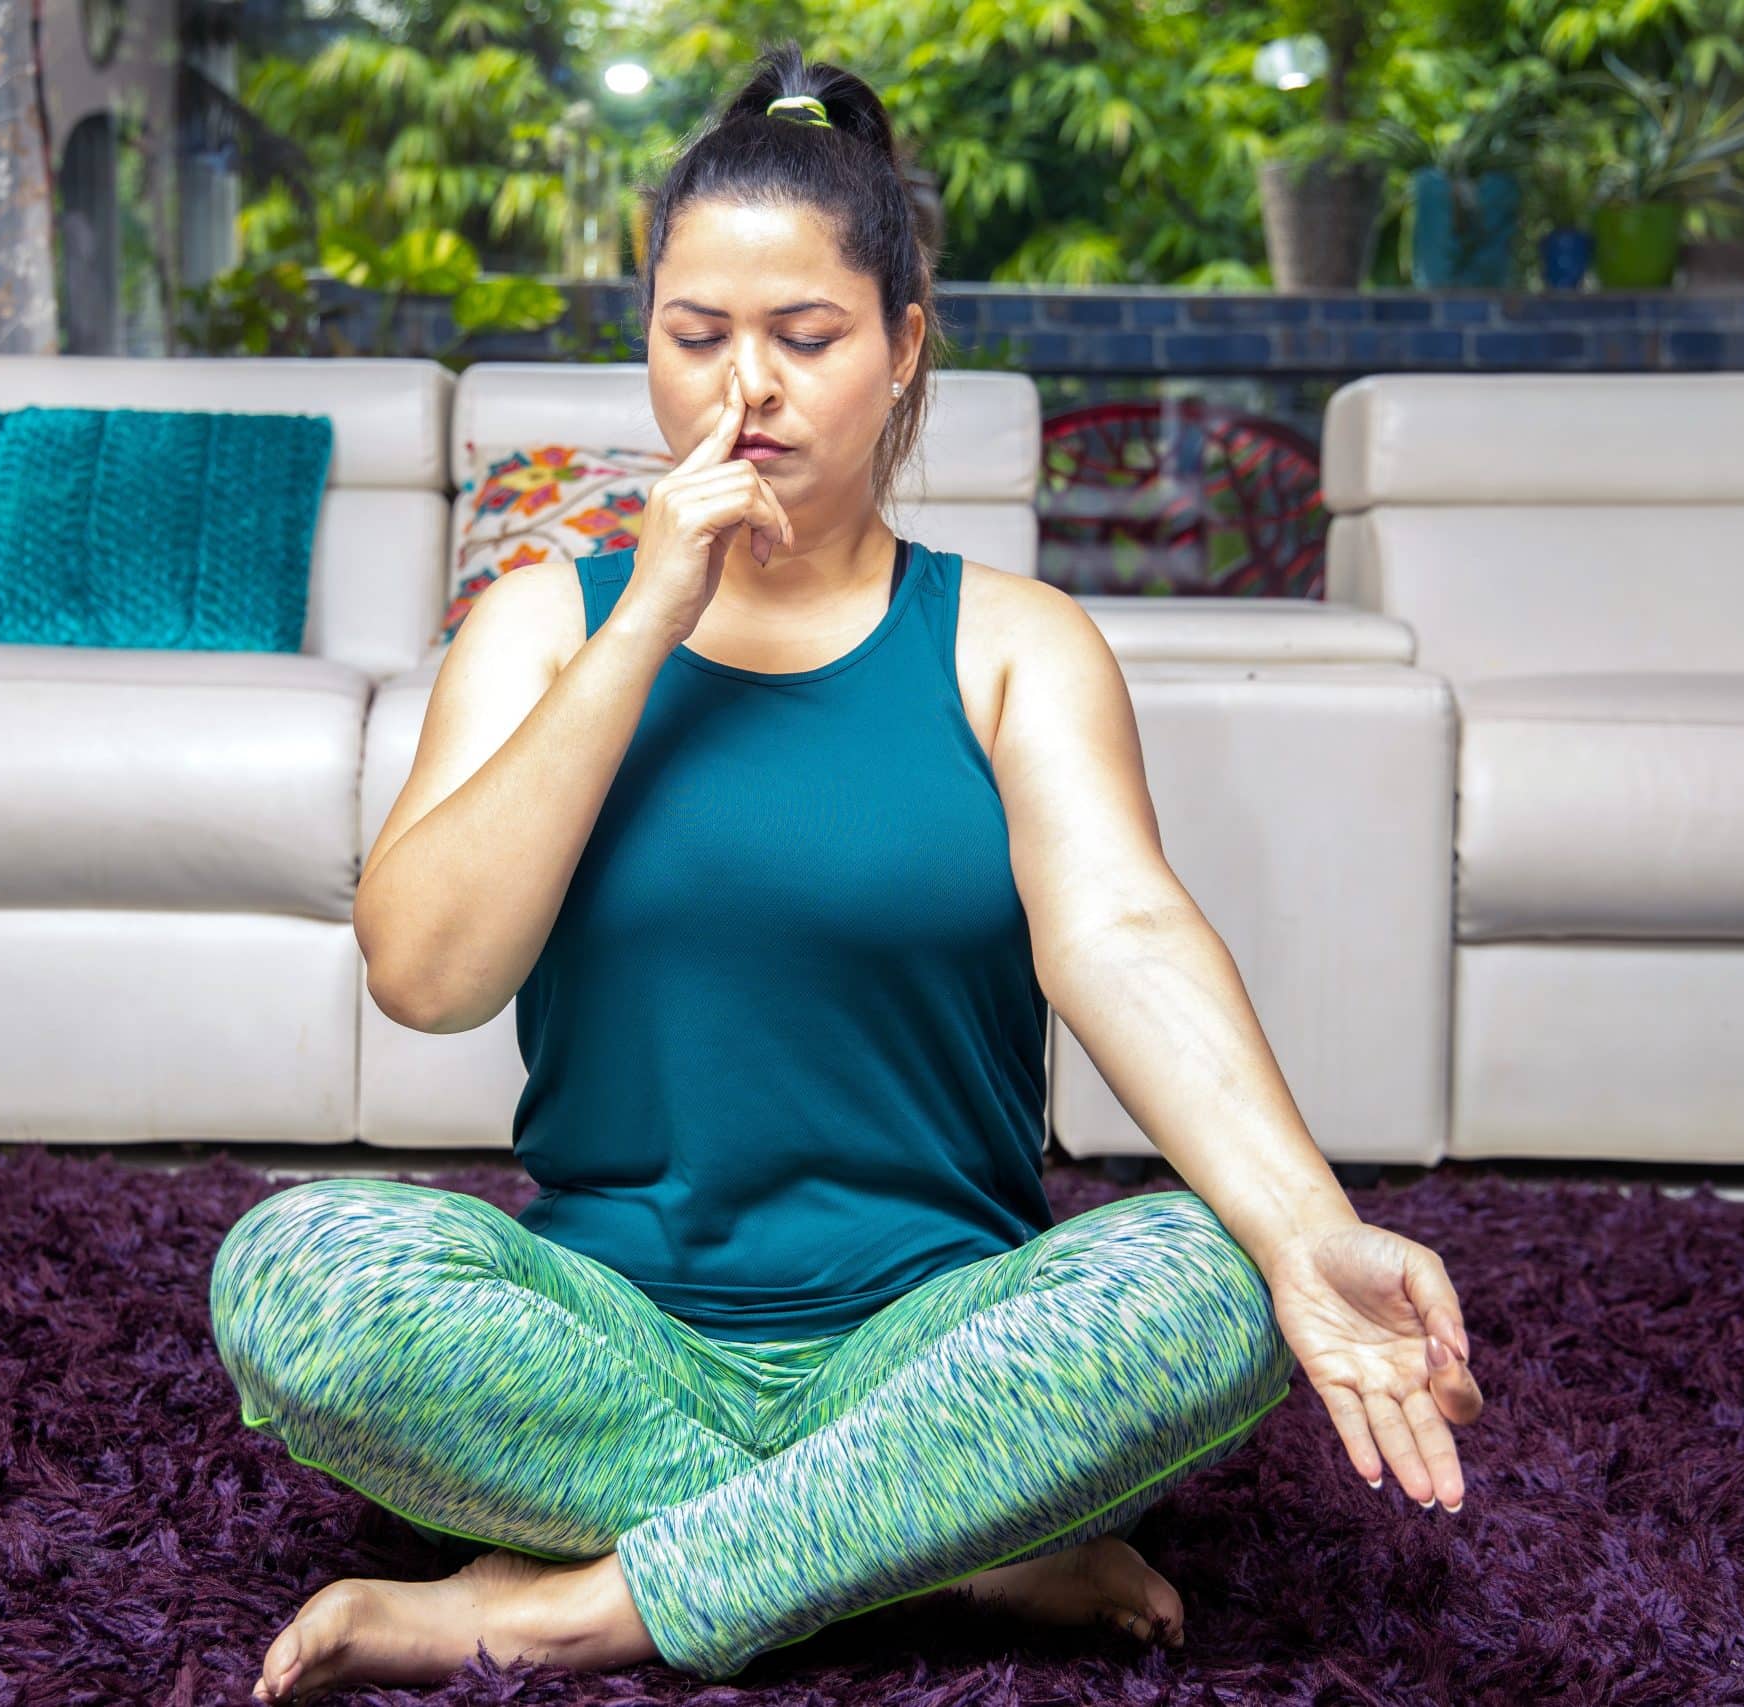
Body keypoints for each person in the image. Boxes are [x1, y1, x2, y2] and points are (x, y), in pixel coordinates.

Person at [210, 41, 1486, 1704]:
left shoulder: (1014, 645)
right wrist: (650, 614)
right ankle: (950, 1541)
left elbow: (1122, 929)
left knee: (1214, 1283)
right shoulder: (540, 621)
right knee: (293, 1274)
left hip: (935, 1347)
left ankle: (571, 1603)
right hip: (612, 1336)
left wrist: (1310, 1227)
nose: (745, 392)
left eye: (805, 341)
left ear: (902, 354)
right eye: (694, 340)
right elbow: (429, 974)